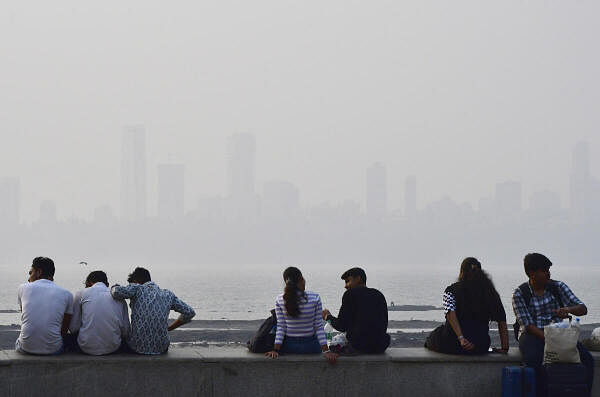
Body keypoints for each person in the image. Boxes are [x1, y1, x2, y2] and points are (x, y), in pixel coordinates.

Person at [512, 253, 594, 397]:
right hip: (533, 334)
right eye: (544, 271)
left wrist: (568, 310)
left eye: (548, 270)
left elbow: (582, 308)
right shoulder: (520, 294)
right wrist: (550, 340)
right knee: (536, 361)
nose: (548, 274)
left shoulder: (558, 287)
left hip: (558, 333)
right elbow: (527, 325)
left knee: (587, 359)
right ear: (532, 273)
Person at [425, 257, 509, 355]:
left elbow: (450, 314)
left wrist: (461, 339)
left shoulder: (450, 290)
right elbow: (502, 320)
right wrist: (505, 347)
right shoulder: (491, 293)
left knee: (433, 336)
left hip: (453, 344)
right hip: (480, 345)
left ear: (462, 272)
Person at [110, 267, 195, 355]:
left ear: (137, 281)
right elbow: (189, 312)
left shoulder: (137, 288)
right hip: (162, 348)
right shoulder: (168, 294)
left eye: (131, 284)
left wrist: (115, 286)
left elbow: (116, 292)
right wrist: (170, 328)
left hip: (136, 347)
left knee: (119, 339)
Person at [265, 267, 337, 363]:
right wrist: (326, 351)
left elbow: (281, 327)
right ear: (301, 279)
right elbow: (318, 327)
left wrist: (275, 350)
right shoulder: (315, 298)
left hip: (289, 347)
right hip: (311, 347)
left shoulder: (280, 299)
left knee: (276, 326)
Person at [322, 267, 390, 354]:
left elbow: (342, 326)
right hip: (380, 346)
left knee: (334, 346)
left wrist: (327, 316)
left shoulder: (350, 294)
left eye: (348, 281)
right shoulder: (378, 294)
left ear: (358, 279)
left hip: (359, 346)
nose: (345, 286)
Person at [15, 257, 73, 355]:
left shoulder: (22, 288)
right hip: (53, 349)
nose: (29, 278)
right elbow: (64, 329)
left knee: (19, 340)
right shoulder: (67, 294)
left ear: (39, 272)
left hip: (26, 348)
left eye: (30, 273)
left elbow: (25, 316)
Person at [68, 270, 130, 355]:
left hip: (86, 347)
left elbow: (73, 328)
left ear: (88, 283)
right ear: (107, 285)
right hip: (113, 347)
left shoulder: (81, 293)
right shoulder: (119, 297)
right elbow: (126, 331)